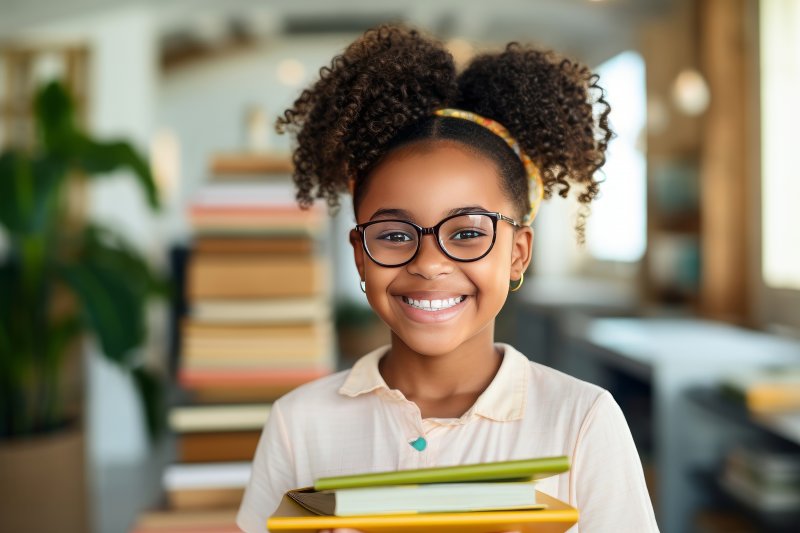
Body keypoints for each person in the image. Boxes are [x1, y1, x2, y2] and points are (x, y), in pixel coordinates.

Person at [237, 24, 659, 533]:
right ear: (359, 254)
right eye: (394, 235)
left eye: (467, 233)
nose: (430, 263)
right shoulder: (298, 422)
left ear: (518, 254)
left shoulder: (582, 420)